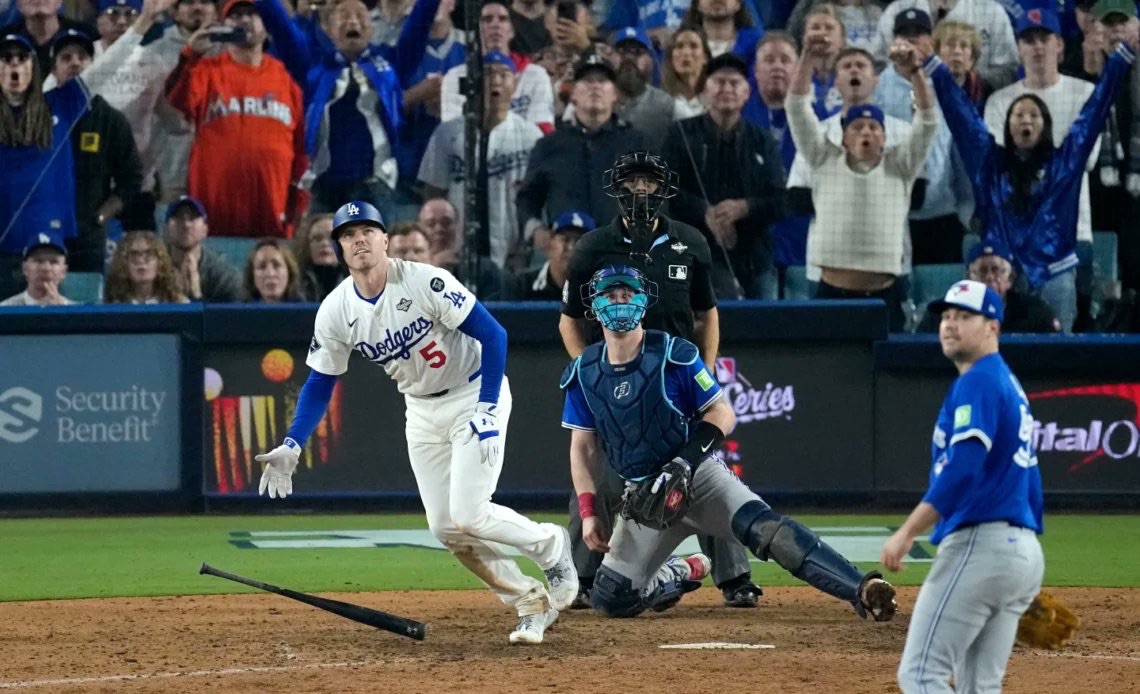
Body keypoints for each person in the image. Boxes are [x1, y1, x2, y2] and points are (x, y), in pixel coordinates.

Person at [255, 200, 578, 645]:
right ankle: (528, 600)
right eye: (348, 235)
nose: (359, 240)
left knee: (470, 512)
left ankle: (551, 545)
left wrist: (487, 406)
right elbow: (320, 380)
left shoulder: (425, 280)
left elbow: (494, 334)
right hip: (421, 409)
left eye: (367, 231)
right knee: (445, 528)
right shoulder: (336, 310)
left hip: (471, 393)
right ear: (340, 250)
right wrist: (293, 442)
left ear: (385, 240)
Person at [563, 264, 898, 621]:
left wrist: (684, 462)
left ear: (643, 302)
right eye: (610, 295)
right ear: (594, 306)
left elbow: (722, 412)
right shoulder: (584, 372)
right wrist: (588, 512)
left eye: (627, 294)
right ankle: (679, 571)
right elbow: (582, 448)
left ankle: (862, 588)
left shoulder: (674, 354)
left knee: (767, 531)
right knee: (611, 598)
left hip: (698, 477)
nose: (619, 302)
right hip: (647, 496)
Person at [559, 151, 764, 610]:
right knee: (598, 475)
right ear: (618, 188)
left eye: (649, 182)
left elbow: (706, 314)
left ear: (663, 188)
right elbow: (569, 319)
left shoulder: (690, 242)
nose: (641, 190)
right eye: (632, 181)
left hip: (675, 382)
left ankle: (735, 578)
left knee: (703, 474)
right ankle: (581, 576)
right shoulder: (592, 247)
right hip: (615, 379)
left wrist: (703, 372)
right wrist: (590, 375)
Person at [882, 278, 1044, 693]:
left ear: (993, 327)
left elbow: (964, 470)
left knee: (921, 675)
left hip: (981, 546)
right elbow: (1031, 479)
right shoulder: (1008, 383)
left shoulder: (979, 381)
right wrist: (1017, 565)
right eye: (947, 316)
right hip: (1019, 550)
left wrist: (907, 531)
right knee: (980, 687)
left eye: (965, 316)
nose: (950, 324)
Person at [926, 27, 1137, 333]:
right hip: (1001, 273)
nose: (1026, 119)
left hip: (1054, 272)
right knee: (994, 344)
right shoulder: (989, 164)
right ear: (1007, 125)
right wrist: (935, 69)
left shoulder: (1064, 163)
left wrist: (1120, 59)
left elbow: (1094, 111)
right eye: (1018, 115)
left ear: (1045, 125)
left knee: (1055, 352)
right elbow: (962, 118)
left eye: (1034, 115)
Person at [787, 32, 939, 332]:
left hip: (885, 294)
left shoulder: (901, 166)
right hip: (831, 292)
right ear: (842, 137)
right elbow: (796, 107)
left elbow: (927, 120)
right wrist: (807, 57)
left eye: (873, 127)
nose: (866, 132)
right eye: (857, 127)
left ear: (885, 137)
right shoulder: (823, 158)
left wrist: (915, 72)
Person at [983, 7, 1099, 331]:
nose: (1037, 47)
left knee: (1065, 334)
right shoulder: (999, 101)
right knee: (1011, 332)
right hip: (1014, 236)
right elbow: (1000, 166)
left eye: (1044, 39)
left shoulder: (1084, 93)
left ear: (1059, 45)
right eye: (1029, 40)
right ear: (1019, 48)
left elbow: (1086, 160)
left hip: (1072, 233)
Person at [165, 0, 308, 239]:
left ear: (266, 26)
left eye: (252, 14)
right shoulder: (207, 70)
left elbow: (300, 150)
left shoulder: (285, 79)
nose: (244, 20)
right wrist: (191, 53)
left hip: (272, 208)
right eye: (236, 15)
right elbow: (177, 99)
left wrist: (297, 204)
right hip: (214, 207)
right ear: (223, 25)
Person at [661, 52, 788, 300]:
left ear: (747, 93)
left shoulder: (762, 140)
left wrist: (744, 208)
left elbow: (780, 201)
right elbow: (664, 189)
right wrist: (705, 212)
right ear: (704, 91)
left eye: (734, 83)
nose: (727, 89)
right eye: (719, 82)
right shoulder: (680, 134)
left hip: (756, 260)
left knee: (766, 322)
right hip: (695, 257)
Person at [418, 50, 543, 270]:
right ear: (474, 82)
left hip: (513, 251)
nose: (495, 80)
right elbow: (434, 194)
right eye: (487, 74)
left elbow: (538, 199)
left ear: (515, 85)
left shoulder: (530, 136)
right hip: (458, 251)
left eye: (503, 74)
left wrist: (525, 248)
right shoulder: (447, 133)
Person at [0, 32, 89, 299]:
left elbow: (107, 67)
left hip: (48, 247)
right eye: (6, 58)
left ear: (34, 67)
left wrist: (142, 24)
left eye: (22, 58)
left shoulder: (61, 103)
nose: (14, 64)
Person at [50, 28, 143, 274]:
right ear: (54, 70)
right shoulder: (37, 113)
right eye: (66, 58)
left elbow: (132, 178)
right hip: (42, 232)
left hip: (87, 237)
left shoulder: (111, 120)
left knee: (86, 295)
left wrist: (101, 216)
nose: (75, 63)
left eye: (82, 57)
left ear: (94, 67)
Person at [917, 241, 1061, 332]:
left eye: (996, 270)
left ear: (1010, 278)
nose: (990, 277)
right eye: (982, 271)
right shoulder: (943, 313)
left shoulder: (1035, 312)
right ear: (968, 278)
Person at [163, 195, 242, 302]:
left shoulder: (224, 275)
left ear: (205, 230)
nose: (186, 225)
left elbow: (235, 311)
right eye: (178, 217)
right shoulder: (152, 268)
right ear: (166, 229)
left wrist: (196, 294)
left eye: (193, 218)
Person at [504, 210, 591, 300]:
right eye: (565, 239)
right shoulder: (521, 287)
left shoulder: (598, 291)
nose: (570, 247)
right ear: (549, 243)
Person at [104, 229, 190, 303]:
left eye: (149, 254)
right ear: (124, 262)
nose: (141, 261)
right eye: (134, 254)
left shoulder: (177, 302)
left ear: (160, 261)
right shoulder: (112, 304)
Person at [0, 234, 75, 306]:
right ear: (24, 268)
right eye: (38, 261)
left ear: (64, 271)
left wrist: (61, 311)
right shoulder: (5, 309)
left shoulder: (78, 311)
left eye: (53, 262)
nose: (46, 268)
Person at [661, 26, 711, 120]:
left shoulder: (716, 100)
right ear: (671, 57)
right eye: (679, 46)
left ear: (705, 58)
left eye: (693, 46)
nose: (686, 53)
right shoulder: (660, 101)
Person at [295, 212, 346, 301]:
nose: (324, 243)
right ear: (307, 246)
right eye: (317, 238)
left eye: (332, 238)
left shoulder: (360, 282)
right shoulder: (294, 284)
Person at [243, 237, 303, 303]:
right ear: (252, 276)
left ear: (289, 272)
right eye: (262, 267)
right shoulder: (242, 308)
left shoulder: (305, 306)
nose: (270, 274)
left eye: (276, 265)